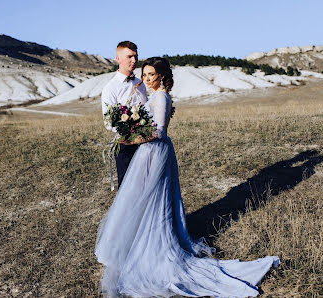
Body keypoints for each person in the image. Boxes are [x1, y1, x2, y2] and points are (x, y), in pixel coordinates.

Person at [95, 57, 279, 297]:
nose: (147, 78)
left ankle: (156, 245)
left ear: (162, 76)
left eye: (151, 74)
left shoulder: (160, 96)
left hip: (155, 150)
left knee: (155, 198)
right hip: (151, 151)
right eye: (145, 74)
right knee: (147, 197)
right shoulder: (157, 96)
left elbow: (159, 131)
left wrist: (132, 138)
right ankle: (141, 239)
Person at [101, 41, 148, 188]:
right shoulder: (110, 88)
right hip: (125, 145)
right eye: (129, 57)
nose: (134, 61)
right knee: (128, 188)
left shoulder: (140, 84)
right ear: (118, 59)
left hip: (146, 143)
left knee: (146, 184)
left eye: (136, 56)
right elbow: (109, 123)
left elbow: (146, 111)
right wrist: (131, 132)